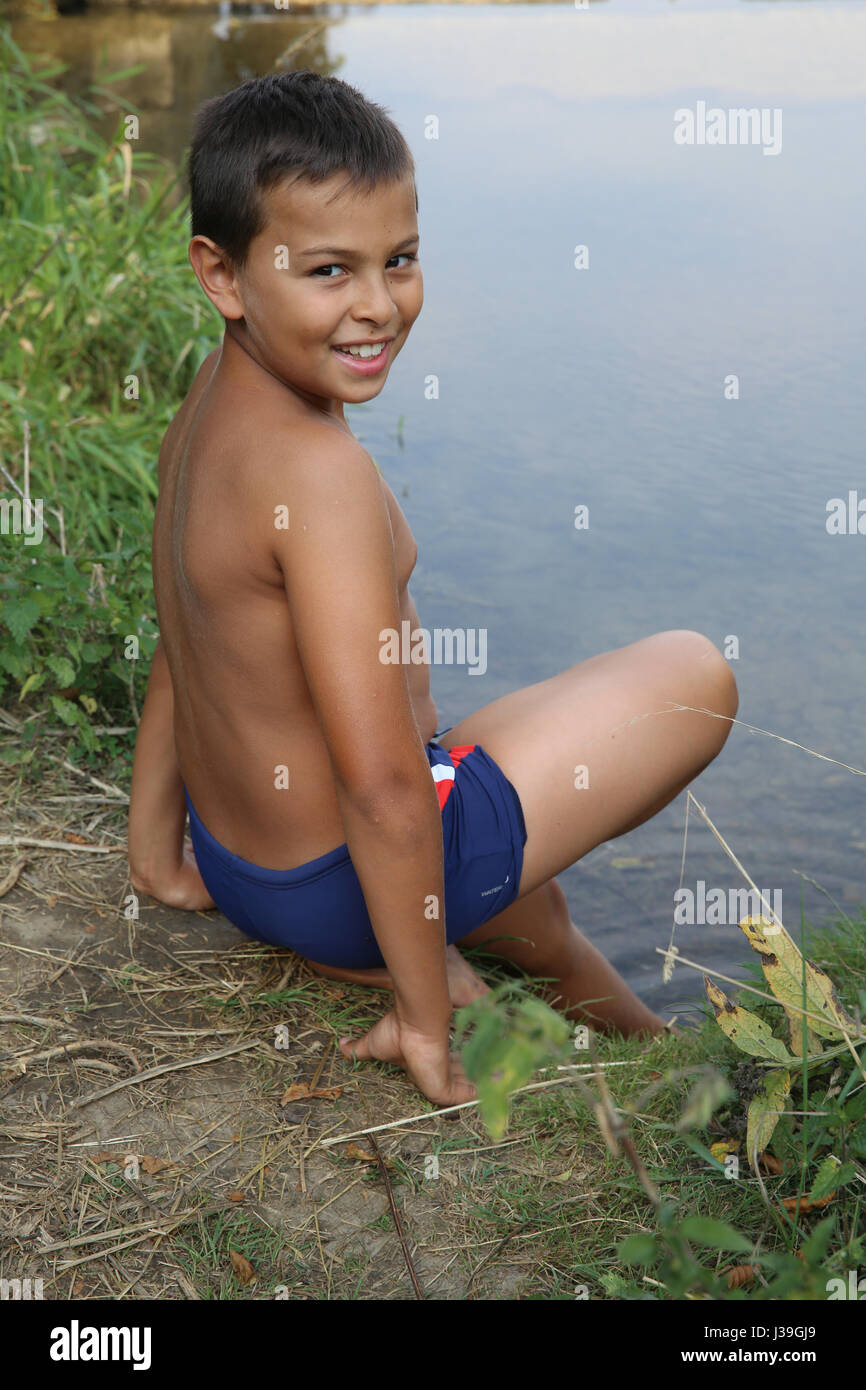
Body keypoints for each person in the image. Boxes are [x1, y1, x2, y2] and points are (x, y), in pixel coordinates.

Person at [127, 70, 739, 1110]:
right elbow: (380, 784)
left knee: (533, 910)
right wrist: (418, 1014)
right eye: (329, 271)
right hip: (338, 879)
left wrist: (159, 850)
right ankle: (429, 976)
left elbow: (190, 631)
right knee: (695, 673)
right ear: (223, 275)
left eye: (398, 260)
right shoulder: (316, 478)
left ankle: (659, 1060)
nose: (378, 305)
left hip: (244, 864)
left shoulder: (217, 393)